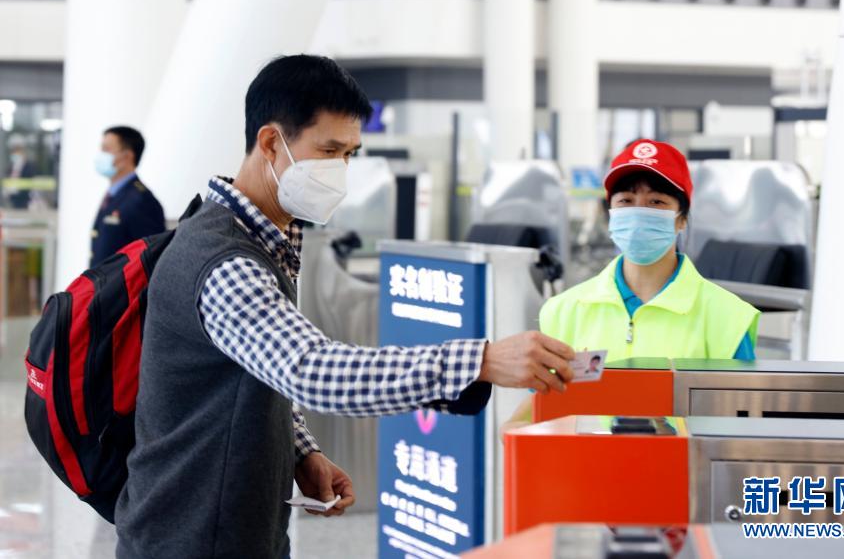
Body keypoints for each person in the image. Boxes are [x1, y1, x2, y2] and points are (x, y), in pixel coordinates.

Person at [114, 55, 576, 559]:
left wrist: (300, 451)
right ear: (271, 143)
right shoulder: (223, 259)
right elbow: (311, 369)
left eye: (350, 154)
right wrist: (481, 360)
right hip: (190, 538)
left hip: (234, 526)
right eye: (329, 150)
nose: (341, 170)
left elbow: (249, 373)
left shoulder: (262, 240)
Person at [504, 139, 759, 430]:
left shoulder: (728, 318)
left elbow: (744, 424)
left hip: (684, 473)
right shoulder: (564, 310)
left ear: (682, 220)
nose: (639, 213)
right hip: (586, 472)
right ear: (610, 214)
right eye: (626, 200)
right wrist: (515, 426)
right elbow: (542, 403)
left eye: (656, 202)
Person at [90, 126, 165, 267]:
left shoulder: (142, 202)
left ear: (127, 156)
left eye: (106, 150)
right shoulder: (114, 195)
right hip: (103, 286)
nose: (101, 155)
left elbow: (149, 260)